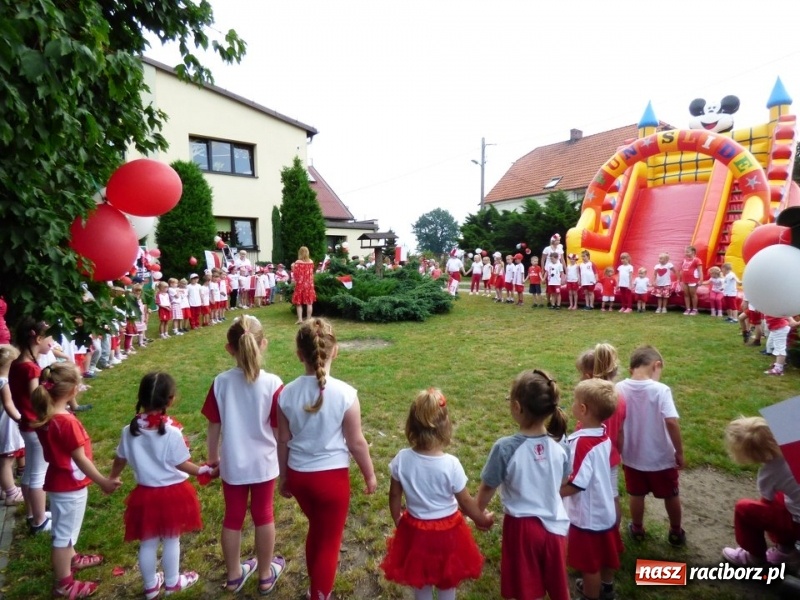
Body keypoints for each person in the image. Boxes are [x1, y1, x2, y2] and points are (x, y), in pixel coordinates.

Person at [277, 318, 376, 599]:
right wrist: (369, 474)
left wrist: (284, 476)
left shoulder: (285, 394)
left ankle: (317, 583)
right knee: (329, 542)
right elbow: (356, 442)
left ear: (299, 355)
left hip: (299, 478)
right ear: (336, 351)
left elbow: (283, 440)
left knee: (318, 531)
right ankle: (320, 593)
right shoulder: (346, 394)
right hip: (331, 483)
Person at [380, 388, 492, 600]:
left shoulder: (402, 459)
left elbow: (394, 495)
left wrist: (397, 517)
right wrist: (482, 519)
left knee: (419, 580)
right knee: (446, 582)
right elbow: (466, 501)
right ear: (446, 427)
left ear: (411, 426)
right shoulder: (451, 465)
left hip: (415, 532)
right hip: (448, 534)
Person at [202, 315, 286, 594]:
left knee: (233, 517)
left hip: (233, 464)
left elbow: (213, 426)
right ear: (263, 344)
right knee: (264, 514)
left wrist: (212, 458)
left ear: (229, 348)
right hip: (264, 463)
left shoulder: (221, 383)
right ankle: (264, 574)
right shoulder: (274, 383)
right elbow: (278, 430)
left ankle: (234, 575)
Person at [110, 372, 209, 599]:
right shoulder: (172, 433)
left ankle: (150, 587)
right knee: (172, 538)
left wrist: (112, 477)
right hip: (173, 495)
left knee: (148, 541)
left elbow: (119, 458)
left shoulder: (129, 431)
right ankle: (172, 582)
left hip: (145, 495)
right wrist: (203, 470)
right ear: (170, 399)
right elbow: (182, 463)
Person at [477, 369, 571, 600]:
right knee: (559, 590)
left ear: (517, 407)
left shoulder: (505, 448)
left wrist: (477, 512)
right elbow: (564, 480)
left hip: (522, 531)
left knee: (528, 592)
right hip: (557, 527)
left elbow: (488, 486)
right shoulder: (562, 444)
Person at [32, 363, 120, 598]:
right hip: (69, 486)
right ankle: (65, 584)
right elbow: (80, 459)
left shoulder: (50, 416)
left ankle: (73, 558)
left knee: (66, 531)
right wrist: (103, 481)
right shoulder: (67, 422)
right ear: (72, 391)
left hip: (61, 482)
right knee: (62, 536)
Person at [615, 345, 685, 546]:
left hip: (632, 456)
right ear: (657, 365)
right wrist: (679, 451)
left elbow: (617, 423)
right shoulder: (661, 390)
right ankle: (675, 531)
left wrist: (619, 451)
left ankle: (637, 528)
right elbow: (671, 422)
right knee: (671, 494)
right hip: (661, 458)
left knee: (636, 494)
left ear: (631, 369)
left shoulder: (619, 388)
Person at [562, 379, 621, 600]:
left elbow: (576, 484)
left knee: (590, 566)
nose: (573, 404)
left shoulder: (580, 443)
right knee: (606, 555)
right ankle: (607, 587)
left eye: (575, 401)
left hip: (588, 517)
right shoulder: (603, 434)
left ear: (583, 409)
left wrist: (553, 492)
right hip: (604, 510)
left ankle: (590, 595)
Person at [721, 416, 800, 566]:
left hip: (797, 526)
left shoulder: (770, 473)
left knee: (745, 509)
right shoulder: (795, 445)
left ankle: (755, 558)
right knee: (782, 496)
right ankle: (786, 549)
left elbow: (766, 507)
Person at [575, 343, 626, 532]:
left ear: (588, 377)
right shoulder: (619, 397)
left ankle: (589, 531)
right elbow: (620, 432)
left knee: (589, 496)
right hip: (611, 458)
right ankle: (613, 533)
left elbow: (581, 434)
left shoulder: (587, 405)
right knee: (611, 496)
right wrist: (618, 451)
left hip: (590, 458)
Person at [8, 318, 51, 533]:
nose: (51, 345)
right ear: (38, 339)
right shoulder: (31, 369)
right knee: (38, 474)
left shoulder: (16, 364)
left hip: (26, 424)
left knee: (29, 473)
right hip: (36, 425)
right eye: (49, 339)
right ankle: (40, 520)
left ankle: (32, 513)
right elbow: (37, 398)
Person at [0, 345, 24, 506]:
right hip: (5, 424)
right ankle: (11, 493)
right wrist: (20, 419)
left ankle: (3, 489)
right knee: (6, 461)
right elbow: (8, 405)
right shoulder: (4, 382)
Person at [292, 246, 317, 324]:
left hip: (300, 284)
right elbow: (312, 273)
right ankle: (309, 319)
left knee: (299, 302)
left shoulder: (298, 262)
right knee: (309, 303)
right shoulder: (311, 262)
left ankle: (300, 319)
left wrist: (292, 267)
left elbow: (295, 274)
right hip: (309, 284)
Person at [679, 245, 703, 315]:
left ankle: (695, 309)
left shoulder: (697, 260)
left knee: (693, 294)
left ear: (693, 252)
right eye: (685, 252)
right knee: (686, 294)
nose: (686, 253)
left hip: (693, 279)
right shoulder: (684, 260)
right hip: (684, 280)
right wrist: (679, 279)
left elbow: (700, 271)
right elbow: (681, 270)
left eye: (688, 252)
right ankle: (688, 308)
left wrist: (701, 279)